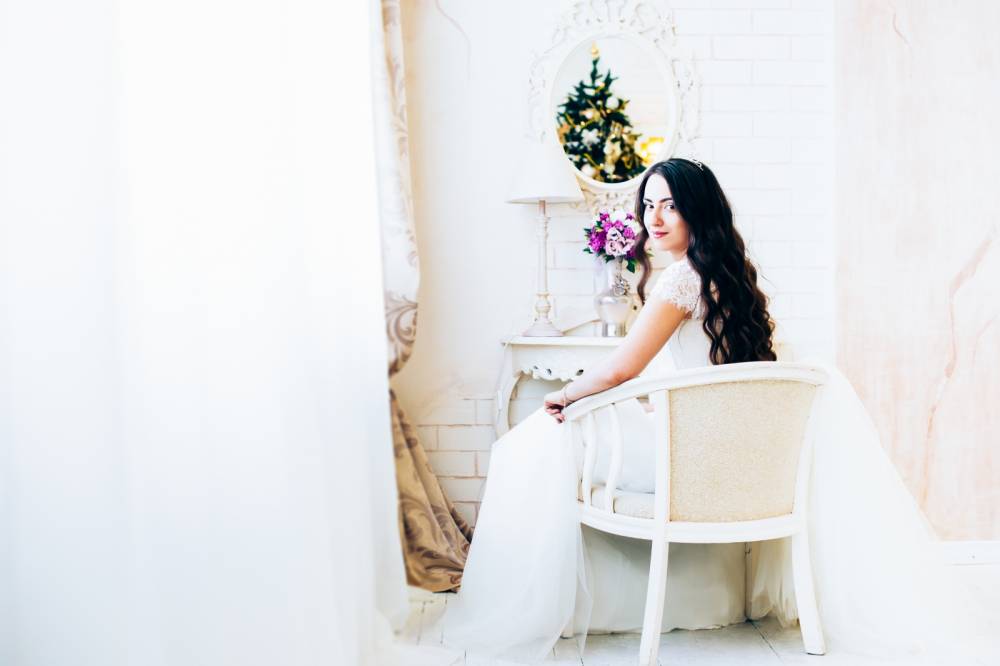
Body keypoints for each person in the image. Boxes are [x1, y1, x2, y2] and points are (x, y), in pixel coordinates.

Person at [441, 158, 996, 664]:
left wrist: (563, 395)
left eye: (671, 205)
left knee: (533, 441)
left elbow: (620, 369)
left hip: (687, 460)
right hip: (723, 456)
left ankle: (532, 610)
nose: (655, 218)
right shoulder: (727, 274)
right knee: (554, 440)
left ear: (697, 211)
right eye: (648, 205)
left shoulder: (682, 278)